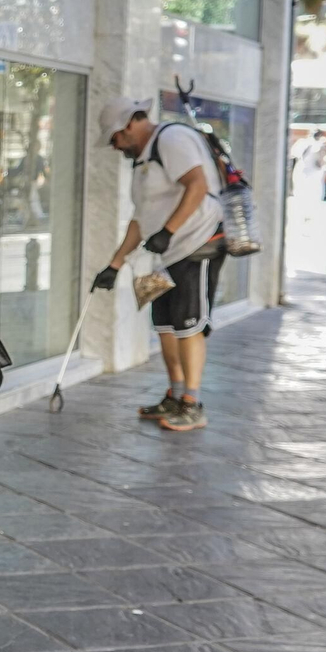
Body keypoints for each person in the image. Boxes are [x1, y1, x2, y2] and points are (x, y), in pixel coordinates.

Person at [91, 97, 224, 433]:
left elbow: (198, 186)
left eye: (115, 138)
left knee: (188, 325)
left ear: (130, 124)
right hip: (168, 252)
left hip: (197, 243)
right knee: (164, 324)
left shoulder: (173, 140)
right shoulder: (143, 162)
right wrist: (115, 265)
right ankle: (175, 394)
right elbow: (141, 219)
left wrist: (168, 231)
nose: (115, 146)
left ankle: (192, 404)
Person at [288, 127, 326, 226]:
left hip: (303, 172)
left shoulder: (302, 142)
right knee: (312, 196)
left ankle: (302, 216)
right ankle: (308, 217)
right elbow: (323, 160)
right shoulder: (319, 144)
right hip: (314, 174)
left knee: (301, 195)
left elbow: (293, 155)